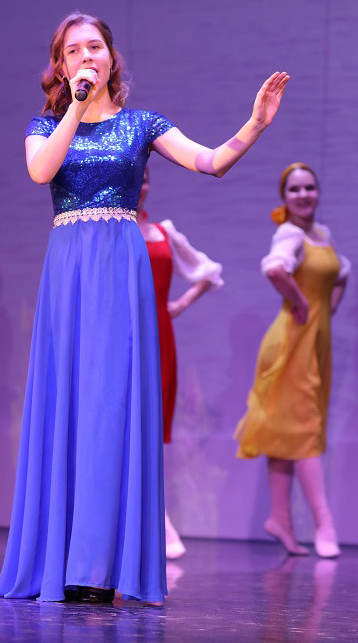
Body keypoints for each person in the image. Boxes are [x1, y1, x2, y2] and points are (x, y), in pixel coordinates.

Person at [0, 11, 289, 604]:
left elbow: (211, 161)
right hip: (70, 272)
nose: (86, 57)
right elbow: (40, 171)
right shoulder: (44, 125)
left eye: (95, 47)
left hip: (118, 271)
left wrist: (255, 124)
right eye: (73, 51)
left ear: (112, 57)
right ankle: (61, 561)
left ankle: (97, 567)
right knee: (69, 403)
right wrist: (75, 107)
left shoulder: (141, 124)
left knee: (111, 405)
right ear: (61, 66)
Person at [234, 162, 350, 559]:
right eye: (295, 190)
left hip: (314, 341)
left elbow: (341, 273)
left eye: (309, 188)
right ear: (284, 198)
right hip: (290, 341)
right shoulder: (289, 234)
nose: (304, 195)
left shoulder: (322, 235)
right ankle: (324, 523)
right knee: (303, 429)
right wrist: (300, 302)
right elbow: (274, 269)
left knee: (286, 430)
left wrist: (326, 311)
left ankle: (280, 518)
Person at [136, 165, 224, 560]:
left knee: (152, 428)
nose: (139, 184)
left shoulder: (163, 232)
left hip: (158, 337)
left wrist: (178, 306)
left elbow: (208, 272)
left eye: (144, 178)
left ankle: (157, 517)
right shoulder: (110, 230)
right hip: (120, 336)